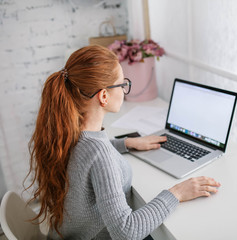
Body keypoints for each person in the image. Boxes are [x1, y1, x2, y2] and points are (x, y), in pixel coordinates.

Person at [25, 45, 221, 240]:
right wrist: (176, 193)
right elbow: (127, 232)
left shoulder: (67, 132)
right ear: (103, 96)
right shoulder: (99, 153)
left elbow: (89, 155)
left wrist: (126, 143)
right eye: (122, 84)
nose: (125, 89)